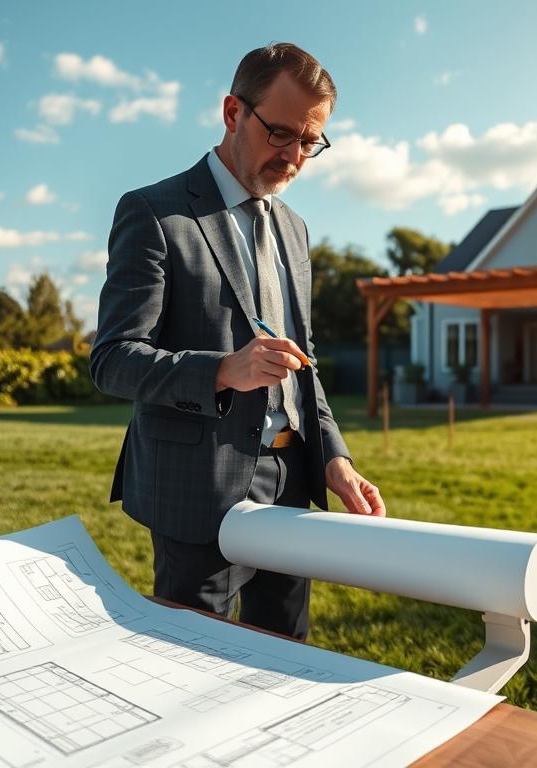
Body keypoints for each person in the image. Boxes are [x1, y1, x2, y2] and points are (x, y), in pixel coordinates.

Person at [91, 43, 385, 641]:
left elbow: (303, 367)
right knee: (190, 663)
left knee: (286, 656)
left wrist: (335, 457)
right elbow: (113, 359)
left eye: (311, 141)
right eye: (281, 133)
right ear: (232, 113)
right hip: (197, 486)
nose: (295, 156)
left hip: (292, 480)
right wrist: (224, 370)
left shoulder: (296, 230)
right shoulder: (155, 213)